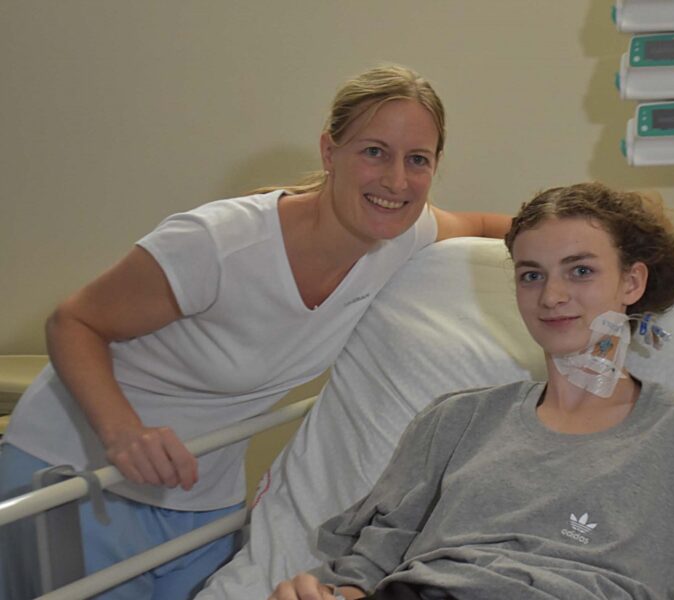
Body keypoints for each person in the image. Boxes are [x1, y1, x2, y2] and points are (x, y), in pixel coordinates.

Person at [0, 64, 511, 600]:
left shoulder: (403, 236)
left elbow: (484, 225)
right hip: (80, 475)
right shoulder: (220, 244)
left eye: (417, 160)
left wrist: (573, 248)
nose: (397, 181)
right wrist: (122, 430)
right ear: (329, 152)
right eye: (374, 152)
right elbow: (73, 322)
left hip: (198, 496)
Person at [268, 182, 674, 600]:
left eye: (580, 270)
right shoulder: (458, 420)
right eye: (532, 275)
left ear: (632, 282)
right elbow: (372, 560)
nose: (551, 296)